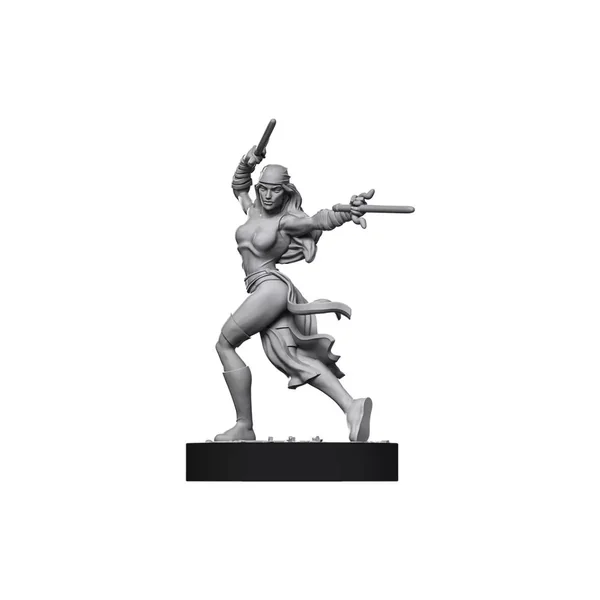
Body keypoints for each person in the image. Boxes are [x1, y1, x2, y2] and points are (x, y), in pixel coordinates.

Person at [214, 144, 374, 442]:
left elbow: (316, 220)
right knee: (291, 358)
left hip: (270, 288)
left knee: (225, 344)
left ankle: (244, 425)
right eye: (264, 188)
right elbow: (239, 188)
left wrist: (344, 213)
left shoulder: (285, 221)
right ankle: (351, 406)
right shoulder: (252, 211)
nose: (268, 195)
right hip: (263, 290)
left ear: (286, 192)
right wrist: (247, 162)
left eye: (275, 190)